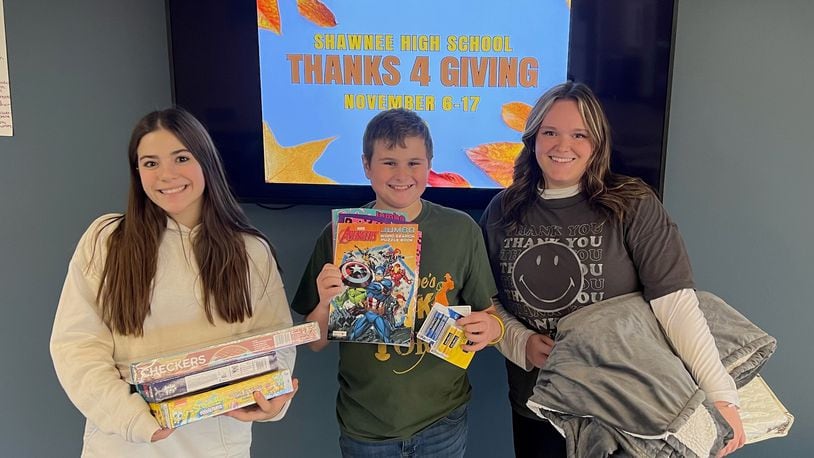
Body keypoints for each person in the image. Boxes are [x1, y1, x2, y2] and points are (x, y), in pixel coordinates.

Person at [479, 82, 745, 457]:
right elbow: (487, 304)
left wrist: (721, 397)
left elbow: (677, 306)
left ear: (597, 143)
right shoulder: (501, 211)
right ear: (532, 137)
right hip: (538, 406)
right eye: (550, 132)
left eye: (579, 134)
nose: (562, 145)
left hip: (623, 411)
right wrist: (520, 343)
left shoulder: (632, 204)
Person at [50, 108, 297, 457]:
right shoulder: (107, 240)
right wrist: (134, 420)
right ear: (137, 172)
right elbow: (76, 347)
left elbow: (275, 342)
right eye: (150, 163)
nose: (166, 175)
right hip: (126, 445)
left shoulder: (250, 251)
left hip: (219, 442)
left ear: (206, 162)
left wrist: (269, 397)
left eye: (181, 158)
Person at [291, 108, 502, 457]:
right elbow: (313, 342)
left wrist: (491, 330)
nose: (402, 174)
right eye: (389, 162)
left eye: (414, 162)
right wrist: (327, 303)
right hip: (366, 425)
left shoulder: (461, 230)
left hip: (443, 420)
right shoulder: (337, 237)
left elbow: (490, 315)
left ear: (429, 164)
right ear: (366, 165)